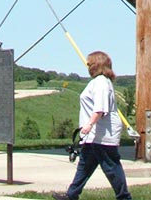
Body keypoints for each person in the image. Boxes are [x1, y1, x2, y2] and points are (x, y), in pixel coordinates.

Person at [53, 50, 132, 200]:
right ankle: (71, 195)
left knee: (111, 166)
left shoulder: (101, 82)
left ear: (97, 64)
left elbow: (100, 109)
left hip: (102, 134)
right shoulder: (99, 82)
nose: (88, 66)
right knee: (84, 165)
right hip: (93, 135)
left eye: (90, 63)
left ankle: (124, 197)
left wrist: (89, 124)